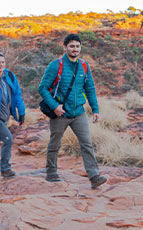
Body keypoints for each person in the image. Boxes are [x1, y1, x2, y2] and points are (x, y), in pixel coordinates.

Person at [37, 33, 107, 188]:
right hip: (60, 113)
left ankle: (94, 176)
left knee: (87, 144)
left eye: (77, 46)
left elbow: (89, 88)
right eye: (72, 46)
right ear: (65, 47)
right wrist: (55, 106)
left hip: (78, 112)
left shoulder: (84, 65)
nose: (75, 49)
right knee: (55, 143)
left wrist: (95, 109)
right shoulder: (56, 65)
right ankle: (51, 172)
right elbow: (42, 88)